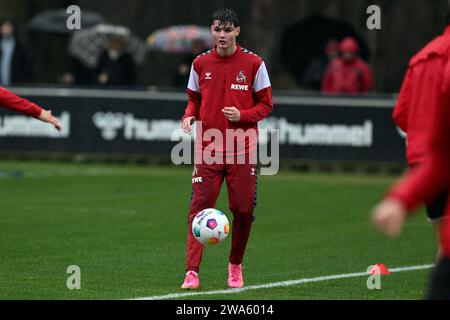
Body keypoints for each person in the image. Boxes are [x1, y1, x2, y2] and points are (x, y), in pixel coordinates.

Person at [180, 8, 273, 289]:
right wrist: (188, 114)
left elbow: (267, 105)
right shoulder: (199, 64)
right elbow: (193, 100)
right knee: (198, 210)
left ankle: (235, 264)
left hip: (242, 150)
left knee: (243, 210)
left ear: (237, 31)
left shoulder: (254, 64)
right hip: (208, 149)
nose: (222, 35)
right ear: (212, 31)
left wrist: (242, 116)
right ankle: (191, 271)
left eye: (227, 29)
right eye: (217, 30)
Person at [392, 17, 450, 259]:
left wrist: (421, 134)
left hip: (421, 160)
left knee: (444, 240)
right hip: (441, 160)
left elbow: (400, 114)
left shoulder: (420, 58)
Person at [0, 18, 32, 86]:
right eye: (4, 27)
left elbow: (26, 66)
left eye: (8, 27)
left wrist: (20, 81)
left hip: (16, 86)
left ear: (13, 29)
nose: (6, 30)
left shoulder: (20, 46)